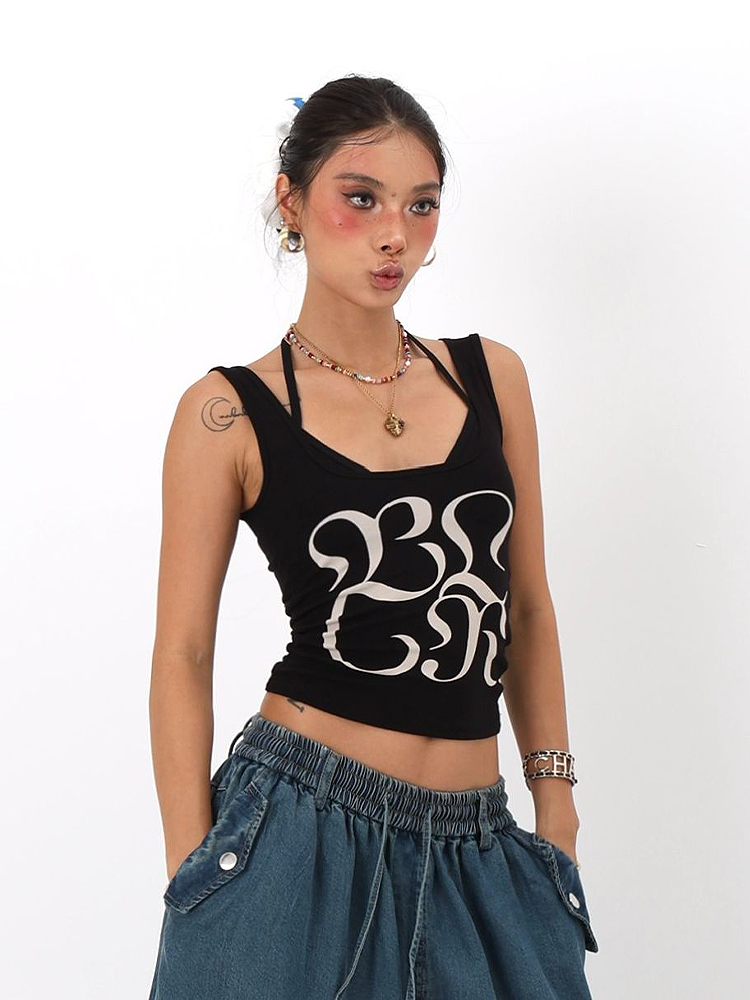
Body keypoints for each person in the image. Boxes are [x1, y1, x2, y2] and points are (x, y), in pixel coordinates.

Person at [148, 74, 598, 1000]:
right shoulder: (227, 414)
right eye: (361, 199)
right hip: (297, 833)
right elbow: (183, 651)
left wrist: (555, 804)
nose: (396, 234)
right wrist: (195, 869)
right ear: (291, 203)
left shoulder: (491, 378)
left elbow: (526, 606)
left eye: (421, 205)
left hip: (480, 845)